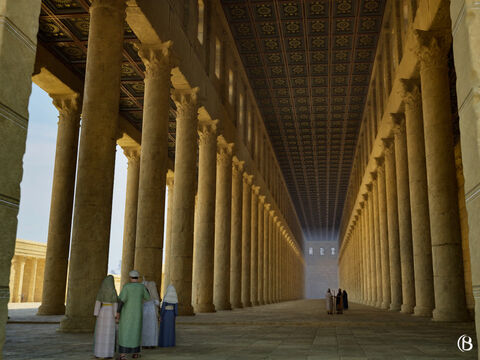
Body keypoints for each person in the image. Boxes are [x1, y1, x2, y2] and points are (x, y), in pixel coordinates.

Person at [116, 270, 150, 360]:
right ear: (138, 278)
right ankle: (135, 353)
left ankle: (123, 355)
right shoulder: (141, 287)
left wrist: (118, 312)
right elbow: (148, 297)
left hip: (127, 315)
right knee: (136, 332)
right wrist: (145, 287)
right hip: (137, 315)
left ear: (130, 277)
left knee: (125, 333)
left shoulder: (127, 287)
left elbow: (121, 301)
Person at [93, 275, 118, 359]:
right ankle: (108, 353)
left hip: (102, 311)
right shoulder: (113, 291)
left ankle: (99, 353)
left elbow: (97, 303)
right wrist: (115, 314)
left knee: (100, 333)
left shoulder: (101, 291)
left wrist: (96, 313)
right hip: (110, 312)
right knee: (109, 333)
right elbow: (115, 304)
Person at [142, 280, 161, 349]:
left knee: (145, 328)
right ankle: (152, 343)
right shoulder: (152, 288)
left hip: (144, 311)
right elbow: (157, 302)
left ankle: (145, 343)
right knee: (152, 328)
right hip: (152, 311)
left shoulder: (143, 288)